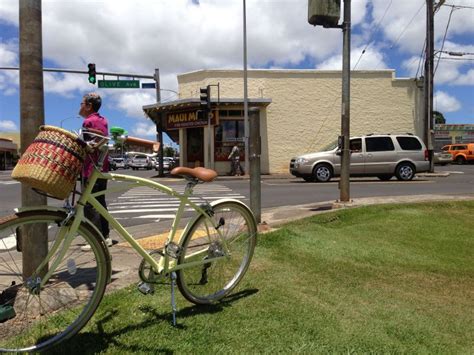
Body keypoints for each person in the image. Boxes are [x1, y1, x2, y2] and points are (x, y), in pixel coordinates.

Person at [79, 93, 112, 251]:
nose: (80, 107)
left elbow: (88, 145)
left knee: (89, 204)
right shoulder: (103, 120)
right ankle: (105, 235)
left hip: (91, 168)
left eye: (82, 104)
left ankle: (96, 238)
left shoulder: (88, 121)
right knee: (100, 202)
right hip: (102, 167)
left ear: (89, 106)